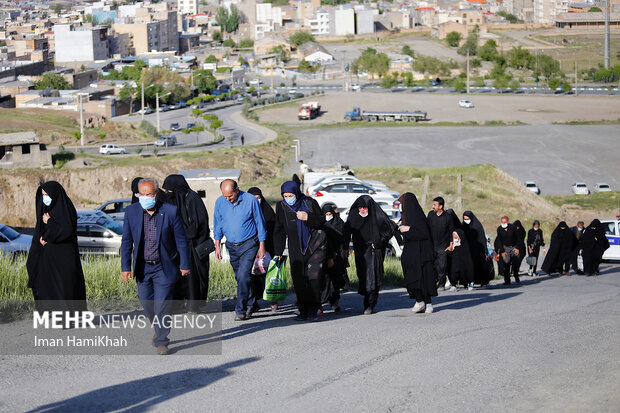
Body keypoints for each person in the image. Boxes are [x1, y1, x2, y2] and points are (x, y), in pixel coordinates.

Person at [121, 178, 191, 355]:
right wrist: (125, 267)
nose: (144, 198)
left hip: (164, 267)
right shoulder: (131, 212)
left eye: (148, 194)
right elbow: (127, 241)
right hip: (143, 267)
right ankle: (158, 328)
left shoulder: (170, 211)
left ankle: (162, 340)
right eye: (141, 194)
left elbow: (181, 240)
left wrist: (184, 264)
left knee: (162, 305)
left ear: (157, 194)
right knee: (146, 303)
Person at [26, 181, 87, 314]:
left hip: (64, 258)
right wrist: (41, 239)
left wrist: (49, 222)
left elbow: (65, 231)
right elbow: (40, 230)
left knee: (65, 288)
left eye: (47, 195)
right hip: (49, 257)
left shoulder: (66, 209)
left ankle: (69, 318)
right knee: (49, 287)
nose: (44, 198)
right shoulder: (46, 210)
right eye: (42, 195)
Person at [213, 179, 267, 321]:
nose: (228, 199)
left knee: (243, 276)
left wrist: (262, 245)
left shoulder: (250, 200)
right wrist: (217, 245)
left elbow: (259, 222)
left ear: (237, 190)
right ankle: (250, 303)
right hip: (232, 245)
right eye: (225, 196)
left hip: (249, 244)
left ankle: (240, 309)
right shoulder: (220, 202)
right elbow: (217, 223)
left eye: (230, 196)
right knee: (240, 278)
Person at [273, 181, 326, 321]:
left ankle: (314, 309)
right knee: (299, 280)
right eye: (285, 195)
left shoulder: (309, 202)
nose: (288, 198)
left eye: (291, 195)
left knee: (313, 278)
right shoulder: (281, 206)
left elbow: (322, 220)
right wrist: (278, 252)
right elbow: (279, 230)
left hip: (314, 246)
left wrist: (308, 217)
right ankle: (303, 311)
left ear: (296, 193)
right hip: (295, 248)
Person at [162, 174, 211, 313]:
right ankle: (178, 304)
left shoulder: (192, 198)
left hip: (194, 245)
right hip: (176, 245)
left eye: (170, 191)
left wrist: (187, 235)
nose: (168, 194)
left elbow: (200, 223)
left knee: (193, 276)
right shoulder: (172, 201)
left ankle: (193, 305)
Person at [343, 195, 394, 315]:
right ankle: (367, 300)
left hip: (374, 251)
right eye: (360, 207)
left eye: (364, 208)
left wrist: (378, 242)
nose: (362, 210)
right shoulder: (354, 216)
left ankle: (370, 303)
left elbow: (389, 230)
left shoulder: (377, 216)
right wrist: (345, 248)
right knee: (363, 275)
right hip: (360, 251)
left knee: (373, 276)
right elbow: (346, 232)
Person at [398, 193, 437, 314]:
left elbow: (423, 233)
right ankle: (419, 300)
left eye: (402, 204)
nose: (400, 207)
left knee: (424, 278)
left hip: (422, 254)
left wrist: (409, 229)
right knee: (412, 277)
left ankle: (428, 303)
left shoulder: (418, 217)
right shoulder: (406, 217)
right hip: (411, 254)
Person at [247, 186, 278, 313]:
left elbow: (275, 231)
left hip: (268, 250)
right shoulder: (246, 211)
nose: (256, 201)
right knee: (251, 277)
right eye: (253, 198)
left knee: (269, 276)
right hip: (250, 249)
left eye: (258, 198)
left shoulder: (268, 212)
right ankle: (252, 303)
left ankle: (273, 301)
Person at [321, 204, 348, 313]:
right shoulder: (321, 225)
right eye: (326, 214)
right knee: (324, 280)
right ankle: (322, 301)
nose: (328, 216)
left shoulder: (339, 223)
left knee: (335, 282)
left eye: (330, 214)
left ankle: (334, 303)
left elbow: (343, 238)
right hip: (324, 256)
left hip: (338, 257)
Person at [426, 196, 455, 290]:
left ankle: (441, 283)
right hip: (431, 244)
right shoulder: (431, 215)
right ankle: (433, 282)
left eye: (435, 205)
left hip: (443, 245)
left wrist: (451, 244)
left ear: (441, 206)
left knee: (442, 265)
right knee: (433, 264)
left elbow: (451, 231)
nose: (433, 206)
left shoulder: (447, 217)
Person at [462, 211, 492, 286]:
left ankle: (482, 280)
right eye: (465, 219)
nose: (466, 221)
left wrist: (485, 250)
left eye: (468, 219)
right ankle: (469, 281)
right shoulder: (463, 226)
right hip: (468, 249)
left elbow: (482, 238)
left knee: (479, 265)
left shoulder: (477, 226)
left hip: (478, 250)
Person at [494, 216, 520, 285]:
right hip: (506, 248)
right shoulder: (499, 229)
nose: (503, 223)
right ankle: (507, 280)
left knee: (515, 263)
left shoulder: (513, 227)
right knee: (506, 263)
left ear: (508, 222)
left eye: (505, 222)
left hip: (514, 247)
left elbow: (518, 238)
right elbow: (499, 241)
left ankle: (516, 276)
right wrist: (502, 251)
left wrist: (517, 247)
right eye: (502, 222)